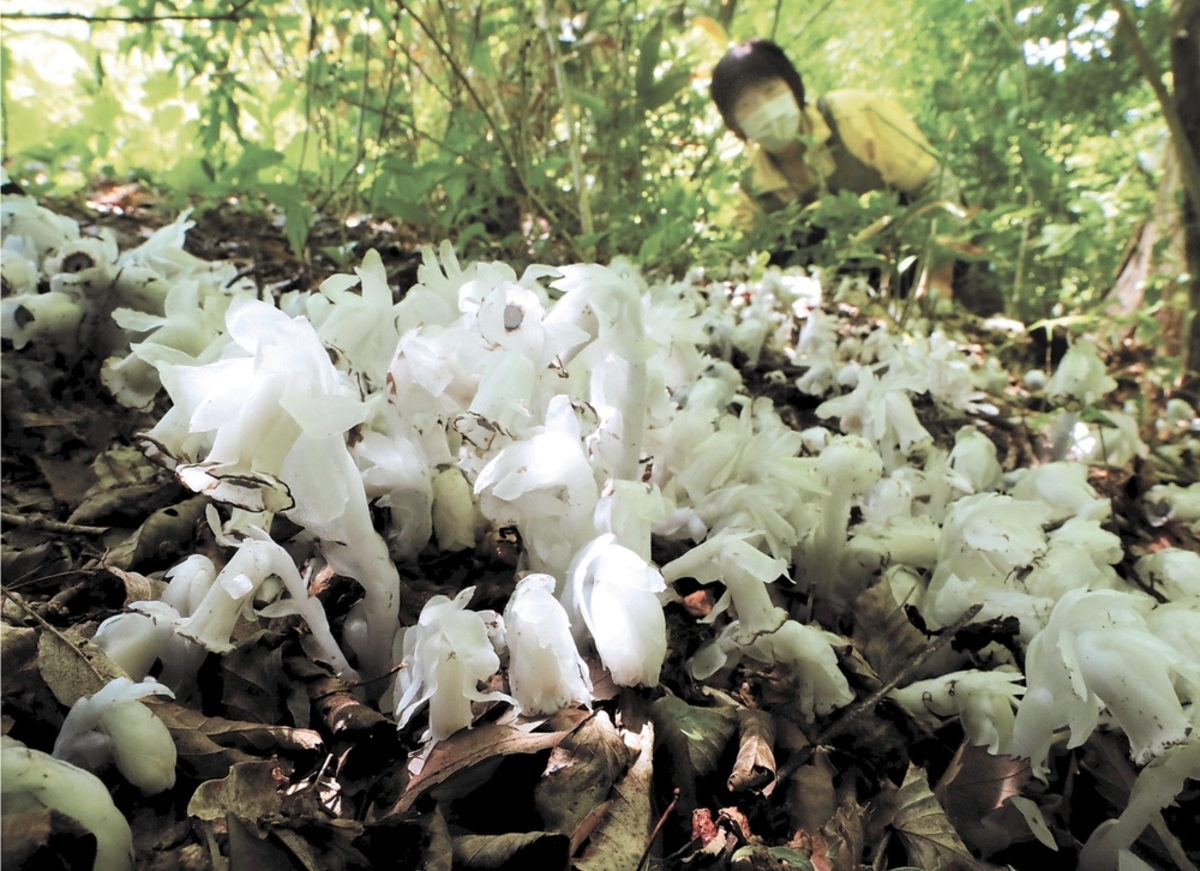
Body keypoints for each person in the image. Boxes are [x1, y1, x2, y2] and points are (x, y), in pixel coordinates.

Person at [711, 39, 982, 305]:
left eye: (770, 90)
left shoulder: (853, 116)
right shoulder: (753, 190)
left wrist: (939, 275)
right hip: (848, 306)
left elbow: (937, 187)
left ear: (792, 88)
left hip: (932, 272)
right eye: (747, 105)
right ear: (735, 125)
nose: (765, 110)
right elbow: (747, 267)